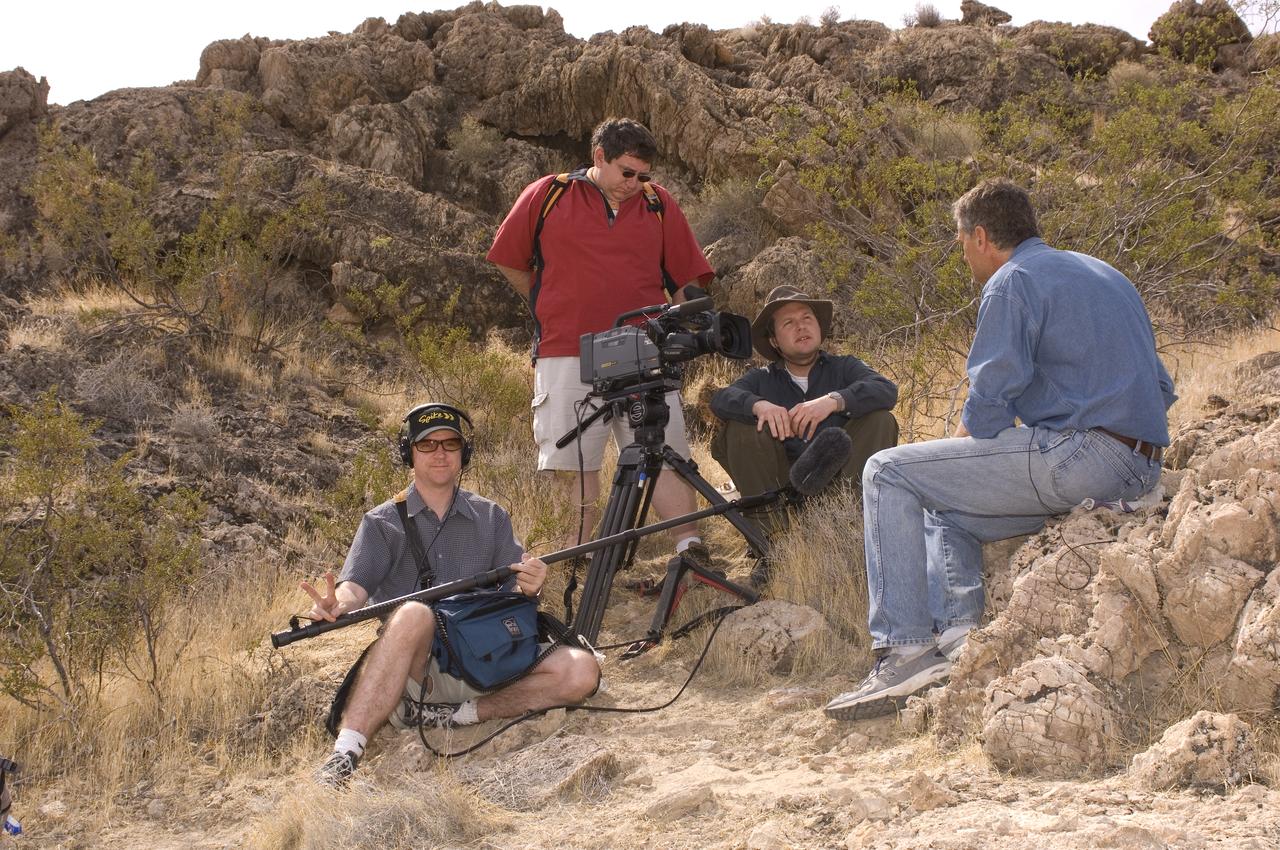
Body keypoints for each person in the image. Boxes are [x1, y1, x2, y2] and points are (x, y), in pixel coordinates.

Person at [824, 179, 1176, 721]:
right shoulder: (1107, 274)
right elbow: (1163, 388)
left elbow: (989, 403)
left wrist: (951, 455)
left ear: (981, 236)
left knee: (889, 472)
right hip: (1140, 468)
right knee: (948, 504)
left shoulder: (1012, 282)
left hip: (1080, 457)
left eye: (961, 242)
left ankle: (904, 652)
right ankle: (958, 640)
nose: (964, 254)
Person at [305, 403, 601, 784]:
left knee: (582, 670)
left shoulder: (492, 517)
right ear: (409, 453)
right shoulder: (381, 523)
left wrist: (531, 584)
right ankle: (346, 752)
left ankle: (463, 714)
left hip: (487, 658)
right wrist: (338, 604)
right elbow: (354, 588)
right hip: (421, 670)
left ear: (465, 453)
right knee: (414, 613)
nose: (440, 453)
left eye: (450, 443)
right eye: (427, 445)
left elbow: (515, 588)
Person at [486, 117, 714, 563]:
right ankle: (576, 555)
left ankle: (689, 547)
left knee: (663, 448)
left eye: (643, 175)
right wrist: (547, 303)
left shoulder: (657, 203)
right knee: (572, 460)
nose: (635, 183)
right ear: (599, 157)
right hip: (565, 350)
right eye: (627, 172)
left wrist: (691, 327)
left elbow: (686, 278)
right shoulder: (548, 194)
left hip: (642, 348)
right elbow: (509, 259)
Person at [709, 285, 899, 544]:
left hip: (839, 482)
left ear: (819, 328)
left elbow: (886, 389)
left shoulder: (845, 367)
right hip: (781, 489)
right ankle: (771, 541)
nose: (801, 327)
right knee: (740, 428)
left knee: (880, 420)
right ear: (774, 341)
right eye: (788, 323)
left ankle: (848, 526)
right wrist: (758, 405)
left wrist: (833, 401)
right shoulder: (761, 379)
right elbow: (720, 399)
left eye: (807, 318)